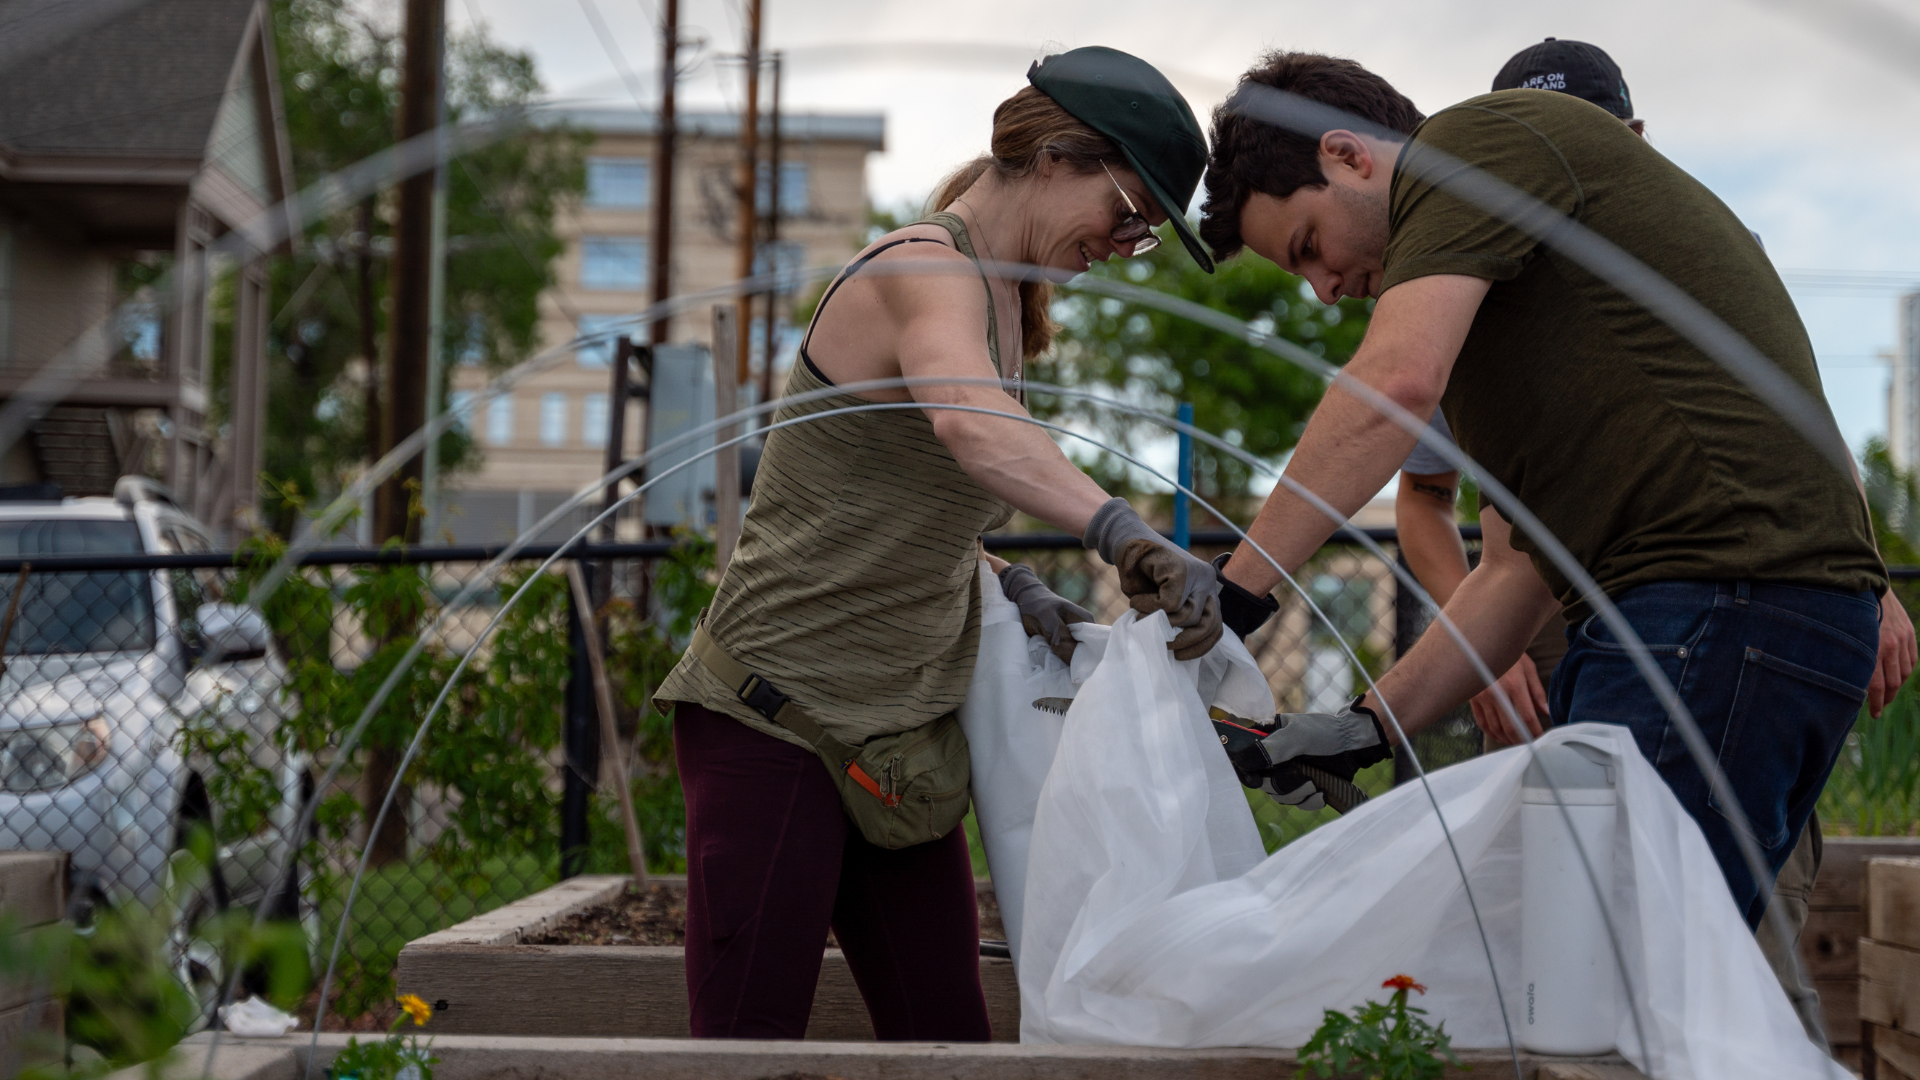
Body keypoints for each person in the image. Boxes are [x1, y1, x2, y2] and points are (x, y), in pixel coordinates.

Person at [1194, 51, 1914, 947]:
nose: (1326, 287)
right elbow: (1512, 572)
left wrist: (1230, 595)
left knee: (1601, 967)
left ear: (1348, 156)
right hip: (1739, 615)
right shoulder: (1516, 320)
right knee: (1652, 972)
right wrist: (1361, 728)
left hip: (1723, 601)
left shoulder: (1475, 141)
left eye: (1308, 248)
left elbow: (1394, 383)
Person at [652, 46, 1222, 1041]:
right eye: (1128, 213)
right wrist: (1118, 529)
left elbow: (909, 499)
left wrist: (1009, 585)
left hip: (900, 746)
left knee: (948, 1039)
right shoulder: (924, 270)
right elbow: (969, 427)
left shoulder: (1008, 308)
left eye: (1147, 237)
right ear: (1054, 158)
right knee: (744, 1047)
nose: (1127, 245)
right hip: (774, 720)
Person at [1377, 38, 1899, 1049]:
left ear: (1635, 142)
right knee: (1565, 909)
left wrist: (1869, 578)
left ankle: (1769, 1042)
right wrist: (1476, 656)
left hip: (1707, 598)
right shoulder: (1476, 280)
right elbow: (1430, 501)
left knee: (1738, 905)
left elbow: (1801, 427)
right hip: (1548, 621)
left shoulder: (1677, 253)